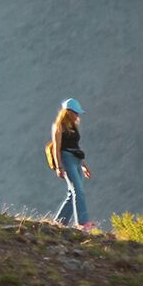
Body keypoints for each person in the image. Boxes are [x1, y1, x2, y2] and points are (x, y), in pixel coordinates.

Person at [48, 98, 94, 228]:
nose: (78, 115)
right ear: (68, 112)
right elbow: (57, 148)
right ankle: (82, 223)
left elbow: (76, 146)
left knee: (72, 192)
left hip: (76, 160)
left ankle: (59, 223)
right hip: (66, 159)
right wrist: (59, 167)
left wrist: (84, 165)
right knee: (78, 191)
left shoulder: (73, 126)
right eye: (76, 112)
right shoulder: (58, 126)